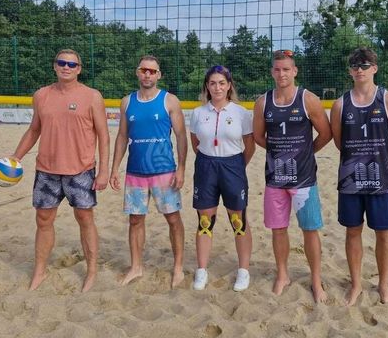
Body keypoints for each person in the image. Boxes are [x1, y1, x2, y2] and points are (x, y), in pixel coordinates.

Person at [12, 49, 109, 292]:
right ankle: (40, 270)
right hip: (47, 170)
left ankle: (91, 271)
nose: (66, 67)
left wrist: (104, 170)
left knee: (85, 218)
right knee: (43, 219)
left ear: (79, 69)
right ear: (54, 66)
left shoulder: (92, 96)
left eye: (72, 64)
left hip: (81, 169)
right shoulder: (41, 95)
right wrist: (16, 157)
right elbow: (34, 130)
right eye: (62, 63)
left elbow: (104, 136)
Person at [253, 49, 332, 303]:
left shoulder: (308, 99)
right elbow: (258, 137)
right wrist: (281, 153)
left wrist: (306, 152)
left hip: (304, 179)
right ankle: (283, 275)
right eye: (277, 69)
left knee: (310, 230)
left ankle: (316, 280)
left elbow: (326, 133)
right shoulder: (263, 102)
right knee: (278, 230)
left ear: (295, 71)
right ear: (272, 72)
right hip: (275, 178)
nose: (282, 74)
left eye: (286, 69)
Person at [330, 47, 388, 306]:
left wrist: (380, 159)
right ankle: (356, 285)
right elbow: (339, 142)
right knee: (353, 231)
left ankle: (383, 286)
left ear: (374, 68)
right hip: (350, 179)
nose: (359, 69)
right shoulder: (340, 104)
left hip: (381, 178)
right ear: (350, 71)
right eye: (355, 65)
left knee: (384, 232)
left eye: (364, 65)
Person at [109, 55, 187, 288]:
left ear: (158, 75)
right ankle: (136, 267)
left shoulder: (169, 100)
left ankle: (178, 267)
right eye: (144, 70)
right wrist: (114, 169)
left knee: (173, 218)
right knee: (135, 220)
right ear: (138, 72)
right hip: (136, 172)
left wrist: (182, 169)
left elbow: (181, 136)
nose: (147, 74)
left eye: (152, 71)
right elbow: (122, 136)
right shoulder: (127, 102)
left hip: (164, 171)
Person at [189, 65, 255, 291]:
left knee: (238, 221)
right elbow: (195, 143)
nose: (217, 87)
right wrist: (210, 160)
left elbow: (249, 146)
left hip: (233, 165)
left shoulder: (241, 113)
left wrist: (236, 166)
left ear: (229, 86)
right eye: (212, 83)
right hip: (206, 165)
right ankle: (201, 270)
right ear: (207, 86)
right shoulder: (198, 113)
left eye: (221, 83)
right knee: (205, 221)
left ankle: (243, 270)